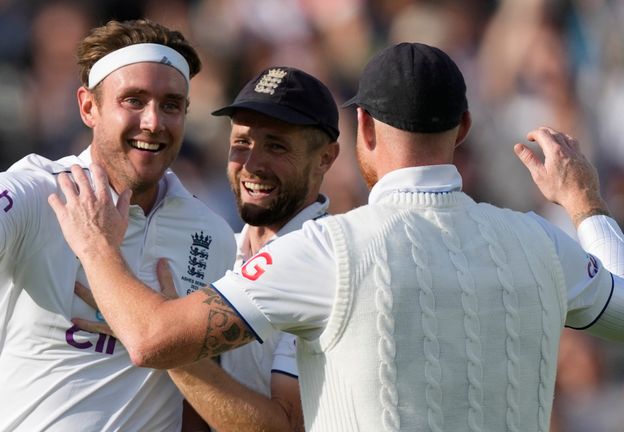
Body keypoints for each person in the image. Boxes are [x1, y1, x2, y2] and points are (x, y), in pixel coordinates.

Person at [48, 42, 624, 431]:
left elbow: (151, 339)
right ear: (463, 129)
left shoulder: (328, 249)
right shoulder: (540, 243)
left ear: (361, 130)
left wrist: (98, 248)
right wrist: (585, 203)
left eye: (278, 144)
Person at [0, 19, 236, 431]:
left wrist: (161, 339)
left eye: (171, 104)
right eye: (134, 100)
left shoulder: (212, 235)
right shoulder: (33, 192)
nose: (153, 122)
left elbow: (200, 407)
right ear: (88, 107)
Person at [73, 66, 341, 431]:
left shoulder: (326, 265)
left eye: (276, 146)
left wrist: (164, 340)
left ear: (326, 157)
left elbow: (285, 427)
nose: (252, 165)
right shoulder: (224, 249)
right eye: (242, 143)